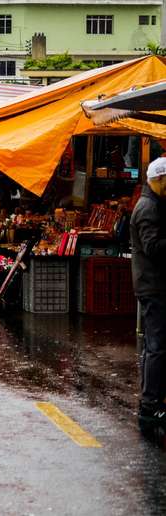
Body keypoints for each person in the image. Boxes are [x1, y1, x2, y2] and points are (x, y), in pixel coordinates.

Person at [132, 157, 166, 435]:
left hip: (155, 285)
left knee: (156, 345)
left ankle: (154, 400)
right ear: (160, 179)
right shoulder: (147, 208)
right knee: (156, 346)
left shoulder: (154, 204)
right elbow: (153, 247)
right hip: (153, 287)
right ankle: (149, 405)